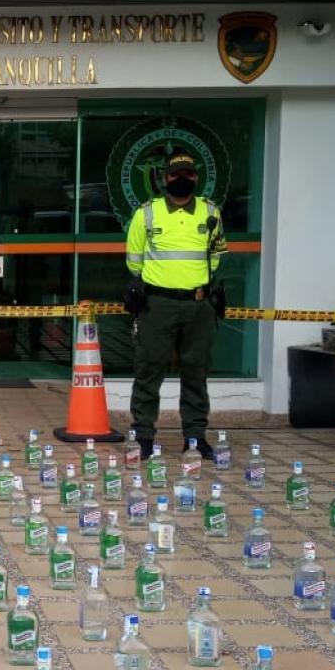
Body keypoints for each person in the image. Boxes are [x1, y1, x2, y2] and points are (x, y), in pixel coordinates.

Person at [123, 150, 227, 461]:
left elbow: (217, 253)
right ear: (164, 178)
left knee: (196, 372)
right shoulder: (147, 214)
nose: (182, 179)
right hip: (158, 304)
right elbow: (134, 261)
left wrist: (197, 284)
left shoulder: (210, 212)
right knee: (148, 370)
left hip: (198, 305)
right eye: (175, 174)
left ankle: (195, 438)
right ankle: (143, 436)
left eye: (188, 174)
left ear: (196, 177)